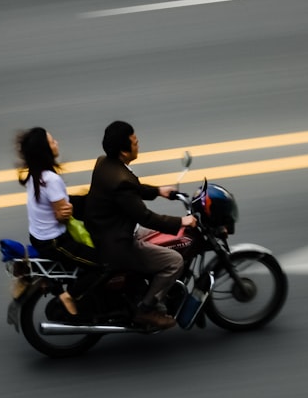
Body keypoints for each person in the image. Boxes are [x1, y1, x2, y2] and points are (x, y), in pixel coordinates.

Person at [87, 121, 196, 330]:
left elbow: (132, 189)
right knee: (174, 261)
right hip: (118, 243)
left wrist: (158, 191)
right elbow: (145, 216)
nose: (138, 144)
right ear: (123, 150)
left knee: (159, 237)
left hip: (107, 229)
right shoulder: (121, 180)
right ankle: (146, 310)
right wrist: (181, 221)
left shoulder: (105, 164)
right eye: (135, 142)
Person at [17, 127, 100, 316]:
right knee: (102, 264)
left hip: (38, 237)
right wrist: (68, 209)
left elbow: (58, 204)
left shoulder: (34, 175)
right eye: (53, 141)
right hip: (55, 242)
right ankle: (70, 295)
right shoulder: (52, 179)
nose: (57, 143)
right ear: (45, 150)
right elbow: (62, 215)